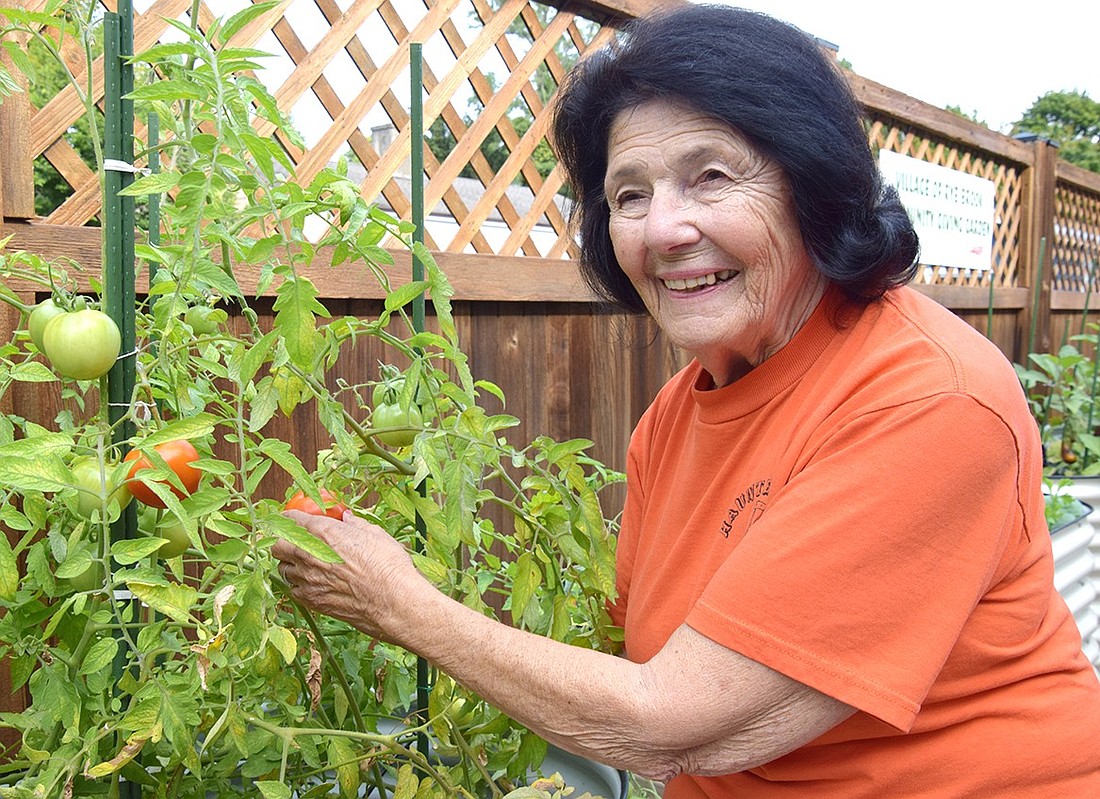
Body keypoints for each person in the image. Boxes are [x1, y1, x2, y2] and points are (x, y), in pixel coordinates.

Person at [274, 5, 1100, 796]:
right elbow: (643, 658)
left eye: (710, 177)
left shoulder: (924, 398)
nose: (662, 229)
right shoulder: (675, 415)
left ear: (812, 186)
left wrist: (398, 603)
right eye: (628, 195)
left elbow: (677, 724)